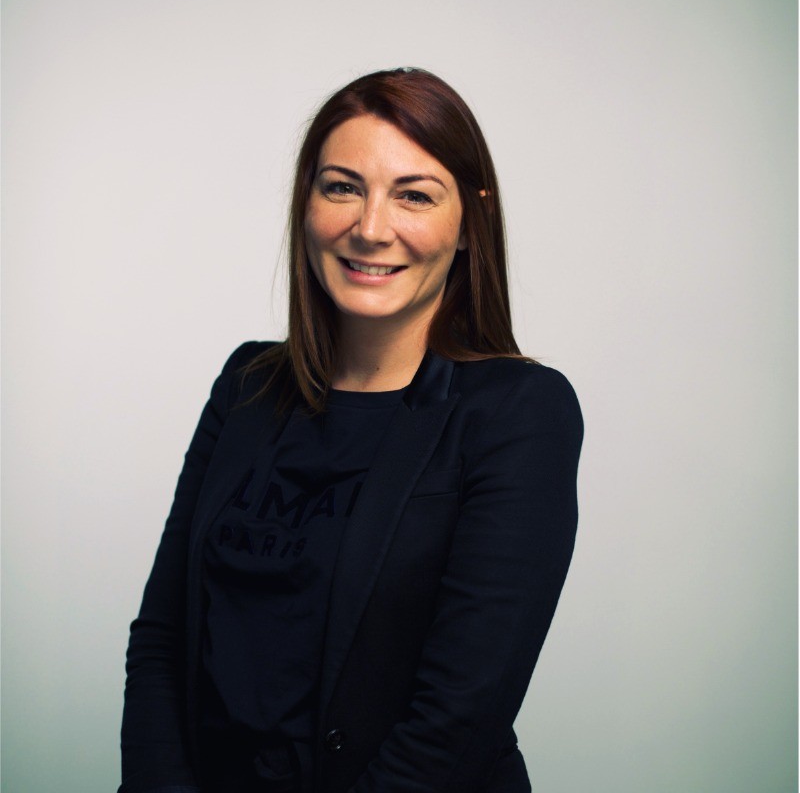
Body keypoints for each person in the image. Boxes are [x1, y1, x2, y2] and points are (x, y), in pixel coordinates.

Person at [119, 67, 583, 793]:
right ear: (306, 204)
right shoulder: (248, 385)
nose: (370, 228)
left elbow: (456, 723)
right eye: (341, 187)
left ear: (470, 224)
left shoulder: (518, 413)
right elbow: (162, 641)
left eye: (415, 195)